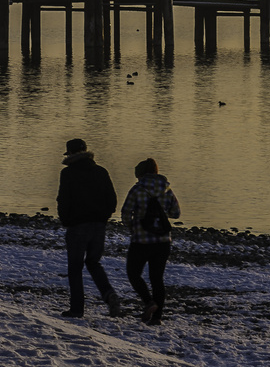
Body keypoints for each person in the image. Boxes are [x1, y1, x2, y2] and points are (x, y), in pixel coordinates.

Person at [56, 138, 121, 318]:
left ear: (70, 154)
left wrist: (66, 221)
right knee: (93, 263)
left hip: (77, 226)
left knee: (75, 268)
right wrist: (103, 217)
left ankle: (77, 309)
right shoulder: (101, 171)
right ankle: (109, 294)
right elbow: (112, 200)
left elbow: (63, 200)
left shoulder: (68, 173)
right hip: (99, 225)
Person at [120, 157, 181, 325]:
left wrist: (132, 227)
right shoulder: (167, 190)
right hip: (163, 241)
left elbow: (125, 213)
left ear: (141, 174)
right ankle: (157, 318)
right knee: (157, 279)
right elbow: (176, 213)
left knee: (133, 273)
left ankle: (149, 302)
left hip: (141, 240)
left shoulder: (137, 190)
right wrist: (160, 214)